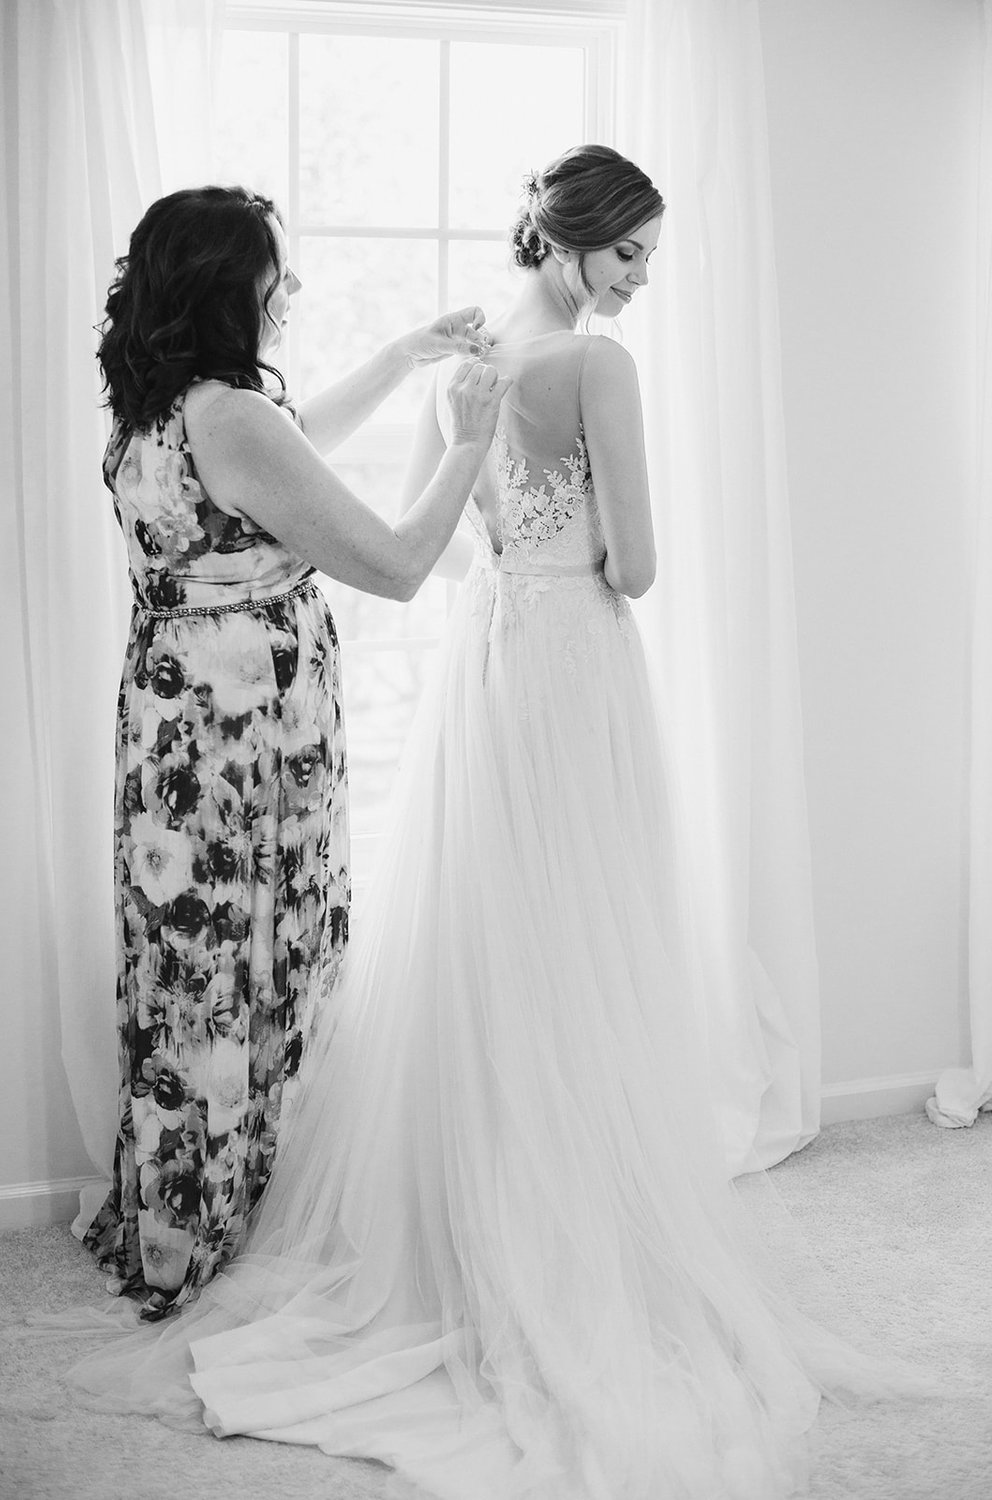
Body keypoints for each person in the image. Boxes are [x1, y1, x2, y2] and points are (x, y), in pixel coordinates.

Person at [67, 151, 919, 1496]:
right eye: (629, 255)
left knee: (476, 944)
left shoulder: (219, 405)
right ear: (571, 245)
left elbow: (445, 541)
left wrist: (449, 422)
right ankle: (558, 1225)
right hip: (551, 662)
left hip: (436, 667)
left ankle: (292, 1216)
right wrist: (571, 541)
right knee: (578, 942)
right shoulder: (589, 373)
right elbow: (622, 566)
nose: (642, 282)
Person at [84, 184, 508, 1321]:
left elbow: (291, 448)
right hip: (245, 751)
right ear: (234, 290)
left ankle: (181, 1212)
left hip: (173, 735)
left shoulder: (159, 407)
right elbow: (400, 561)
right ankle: (246, 1222)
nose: (294, 290)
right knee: (254, 967)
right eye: (281, 273)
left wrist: (401, 355)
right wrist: (466, 444)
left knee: (191, 974)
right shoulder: (232, 421)